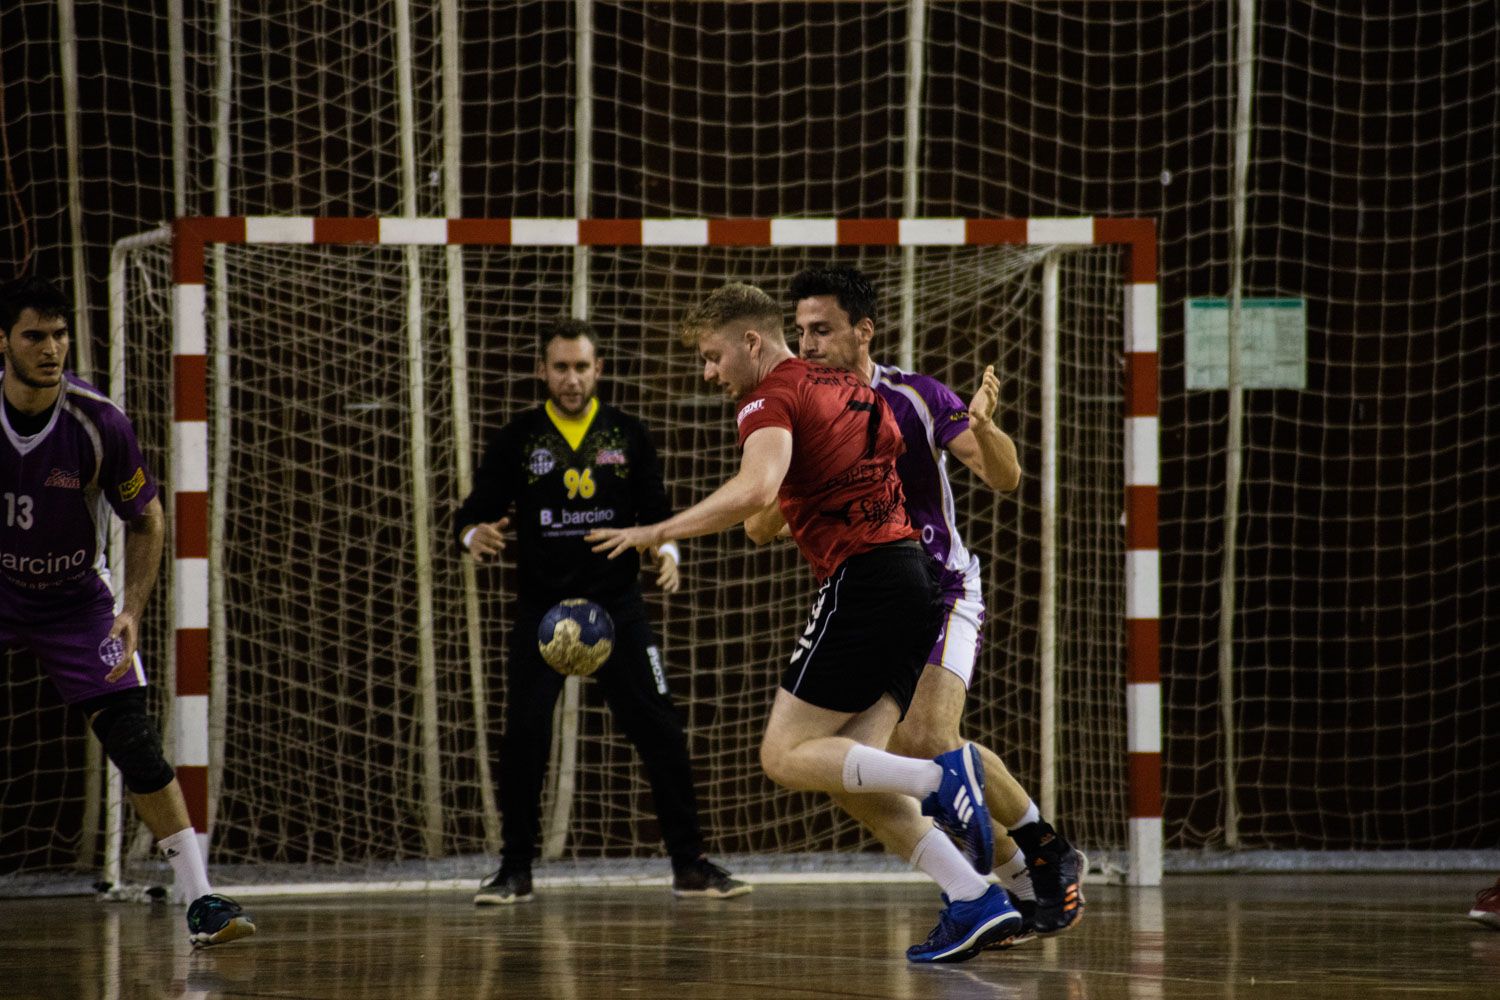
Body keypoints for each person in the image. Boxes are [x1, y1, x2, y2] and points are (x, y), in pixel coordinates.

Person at [589, 283, 1022, 963]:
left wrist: (662, 527)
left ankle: (949, 780)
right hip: (916, 584)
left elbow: (758, 492)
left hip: (865, 581)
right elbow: (783, 507)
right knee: (852, 774)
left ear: (752, 342)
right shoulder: (849, 389)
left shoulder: (768, 396)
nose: (709, 374)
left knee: (782, 756)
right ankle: (974, 897)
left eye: (712, 356)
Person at [780, 264, 1085, 937]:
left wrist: (988, 427)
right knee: (853, 771)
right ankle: (1002, 889)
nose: (806, 345)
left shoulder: (914, 397)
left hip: (940, 586)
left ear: (864, 331)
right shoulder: (798, 415)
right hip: (865, 601)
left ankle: (1044, 843)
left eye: (821, 330)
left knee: (926, 738)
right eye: (798, 332)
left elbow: (1003, 476)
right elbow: (765, 520)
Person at [453, 317, 749, 904]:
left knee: (662, 729)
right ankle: (515, 871)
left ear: (599, 370)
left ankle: (690, 864)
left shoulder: (628, 434)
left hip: (618, 608)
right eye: (560, 367)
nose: (571, 378)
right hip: (543, 613)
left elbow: (659, 512)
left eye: (581, 367)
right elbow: (471, 512)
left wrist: (667, 551)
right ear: (543, 371)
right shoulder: (518, 438)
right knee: (524, 738)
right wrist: (472, 535)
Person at [0, 277, 255, 948]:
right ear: (3, 342)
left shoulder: (97, 421)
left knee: (132, 737)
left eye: (59, 335)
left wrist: (131, 610)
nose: (50, 348)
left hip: (76, 599)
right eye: (34, 336)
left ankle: (201, 901)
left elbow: (146, 520)